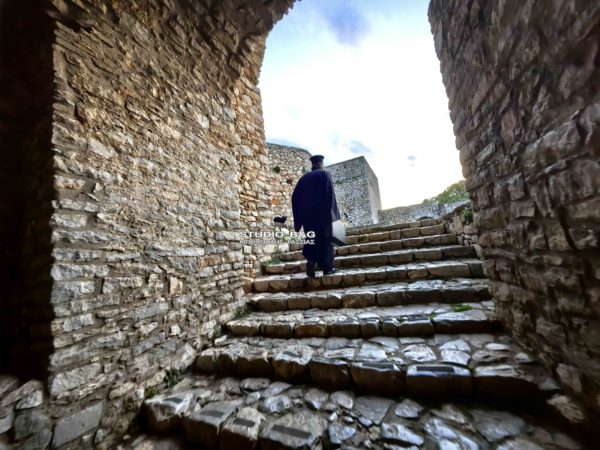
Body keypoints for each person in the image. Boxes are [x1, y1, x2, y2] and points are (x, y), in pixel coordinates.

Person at [291, 154, 341, 277]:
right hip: (323, 216)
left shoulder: (303, 178)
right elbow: (329, 196)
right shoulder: (325, 174)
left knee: (312, 240)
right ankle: (327, 268)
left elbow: (295, 198)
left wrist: (299, 219)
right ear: (321, 164)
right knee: (326, 241)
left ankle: (311, 261)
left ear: (312, 164)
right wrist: (334, 216)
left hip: (308, 218)